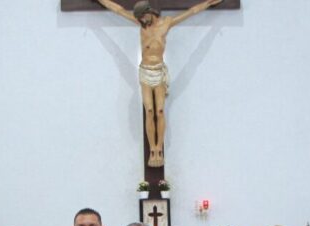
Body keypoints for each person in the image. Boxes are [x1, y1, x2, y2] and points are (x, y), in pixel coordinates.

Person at [92, 0, 223, 167]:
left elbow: (191, 11)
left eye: (143, 17)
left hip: (159, 72)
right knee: (149, 110)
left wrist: (209, 2)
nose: (141, 20)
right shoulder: (140, 24)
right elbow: (118, 9)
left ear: (149, 12)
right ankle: (152, 149)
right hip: (145, 72)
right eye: (139, 18)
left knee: (159, 111)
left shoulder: (166, 23)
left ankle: (159, 149)